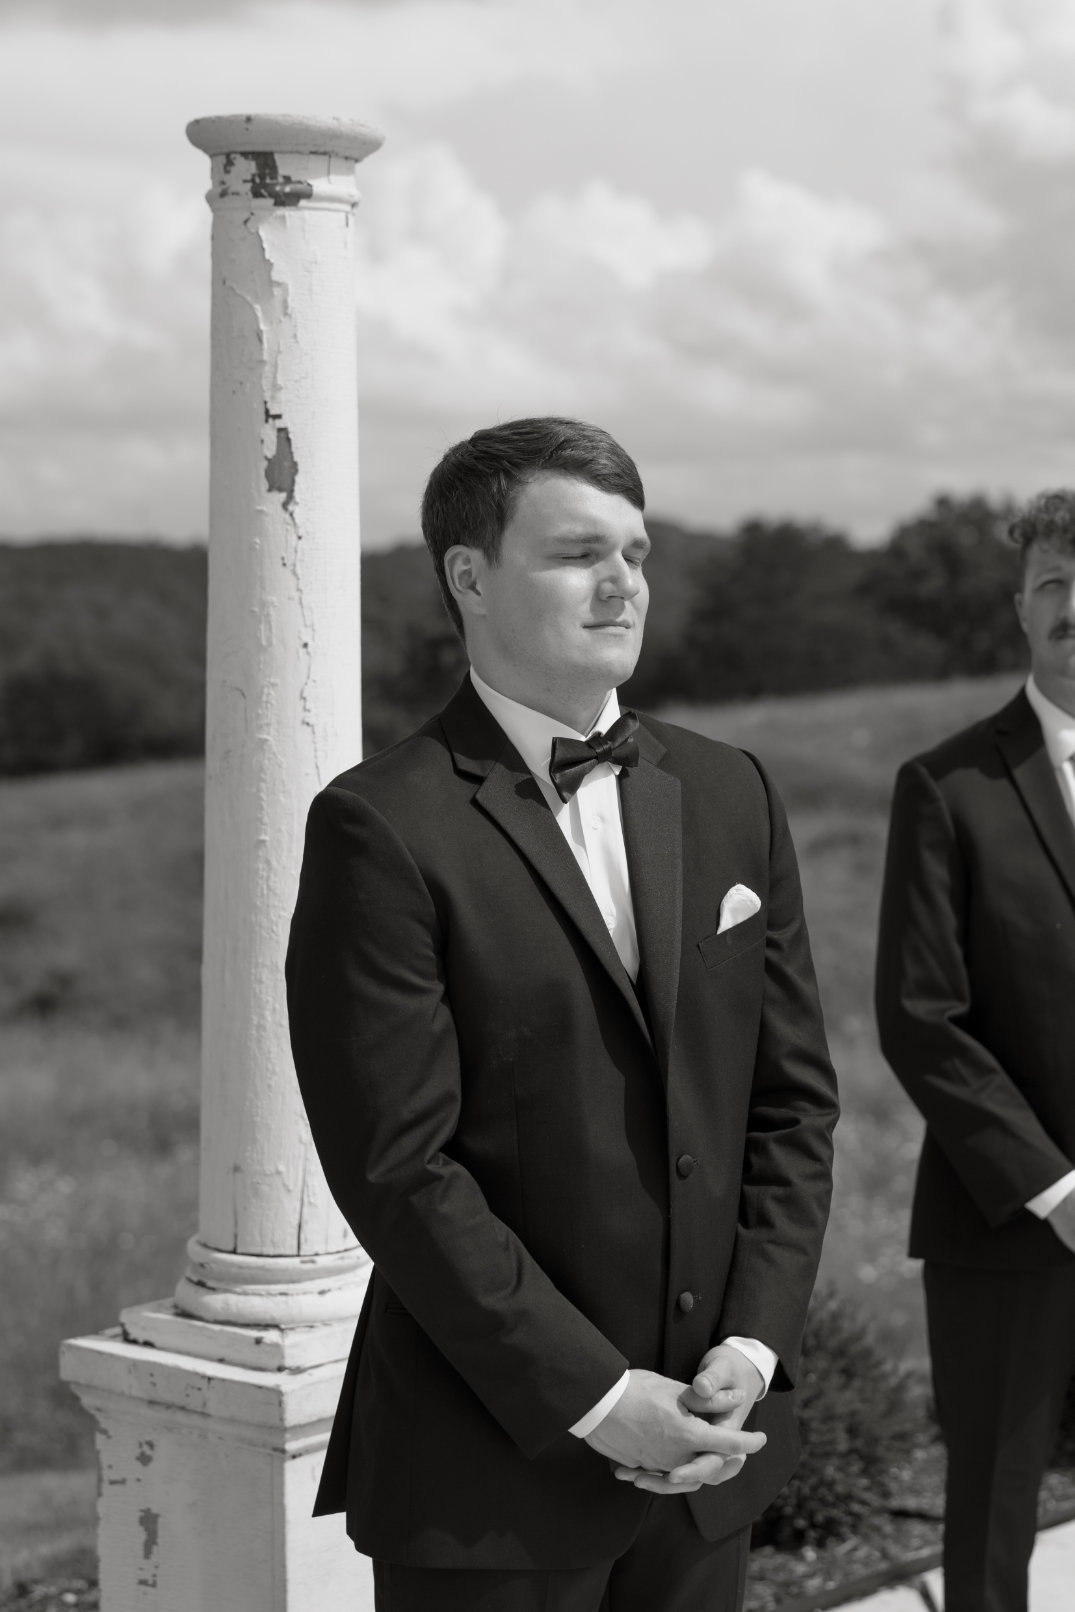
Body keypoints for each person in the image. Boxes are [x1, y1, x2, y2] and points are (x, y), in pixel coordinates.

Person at [286, 417, 838, 1611]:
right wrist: (596, 1397)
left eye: (635, 553)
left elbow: (790, 1104)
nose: (622, 583)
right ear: (468, 577)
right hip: (493, 1473)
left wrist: (750, 1346)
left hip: (711, 1456)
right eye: (579, 553)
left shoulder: (730, 789)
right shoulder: (378, 828)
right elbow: (397, 1165)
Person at [875, 488, 1075, 1612]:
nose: (1073, 605)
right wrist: (1055, 1190)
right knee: (994, 1504)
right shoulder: (945, 787)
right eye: (1052, 581)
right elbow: (919, 1016)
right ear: (1017, 606)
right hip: (1006, 1219)